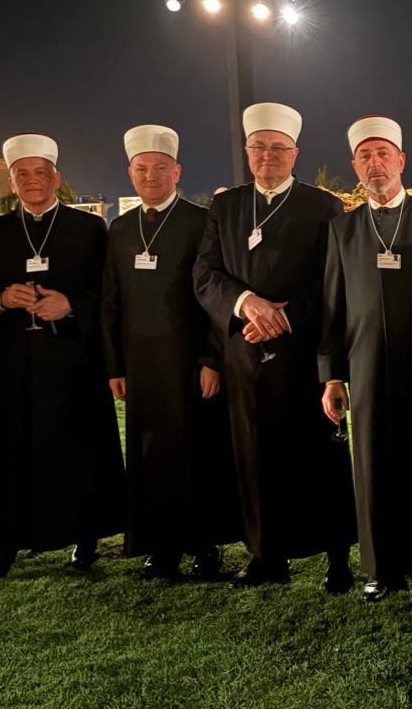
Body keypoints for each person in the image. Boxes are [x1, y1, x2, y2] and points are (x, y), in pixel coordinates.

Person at [193, 103, 356, 589]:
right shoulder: (226, 206)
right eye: (259, 147)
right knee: (253, 455)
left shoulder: (323, 206)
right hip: (244, 352)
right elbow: (205, 273)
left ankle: (336, 558)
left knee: (319, 456)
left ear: (295, 154)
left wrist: (283, 316)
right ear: (247, 152)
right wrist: (246, 304)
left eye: (278, 148)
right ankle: (267, 555)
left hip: (304, 353)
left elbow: (333, 280)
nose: (268, 155)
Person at [0, 133, 125, 581]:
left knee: (78, 447)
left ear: (57, 178)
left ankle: (85, 537)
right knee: (13, 450)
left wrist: (70, 304)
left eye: (41, 173)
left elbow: (110, 294)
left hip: (75, 359)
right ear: (11, 183)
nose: (32, 181)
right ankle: (7, 544)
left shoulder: (89, 228)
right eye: (22, 174)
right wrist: (2, 298)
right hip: (16, 362)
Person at [102, 124, 240, 580]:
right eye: (141, 169)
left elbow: (213, 297)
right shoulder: (120, 229)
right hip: (141, 365)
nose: (150, 176)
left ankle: (204, 545)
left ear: (176, 171)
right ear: (130, 173)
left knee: (197, 453)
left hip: (189, 362)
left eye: (160, 168)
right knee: (150, 455)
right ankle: (159, 547)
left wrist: (210, 359)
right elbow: (111, 301)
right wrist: (115, 365)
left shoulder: (201, 222)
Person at [319, 115, 412, 602]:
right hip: (365, 363)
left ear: (401, 160)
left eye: (383, 154)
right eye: (365, 156)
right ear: (355, 166)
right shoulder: (343, 228)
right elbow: (333, 307)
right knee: (370, 467)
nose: (375, 164)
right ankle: (380, 568)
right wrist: (332, 376)